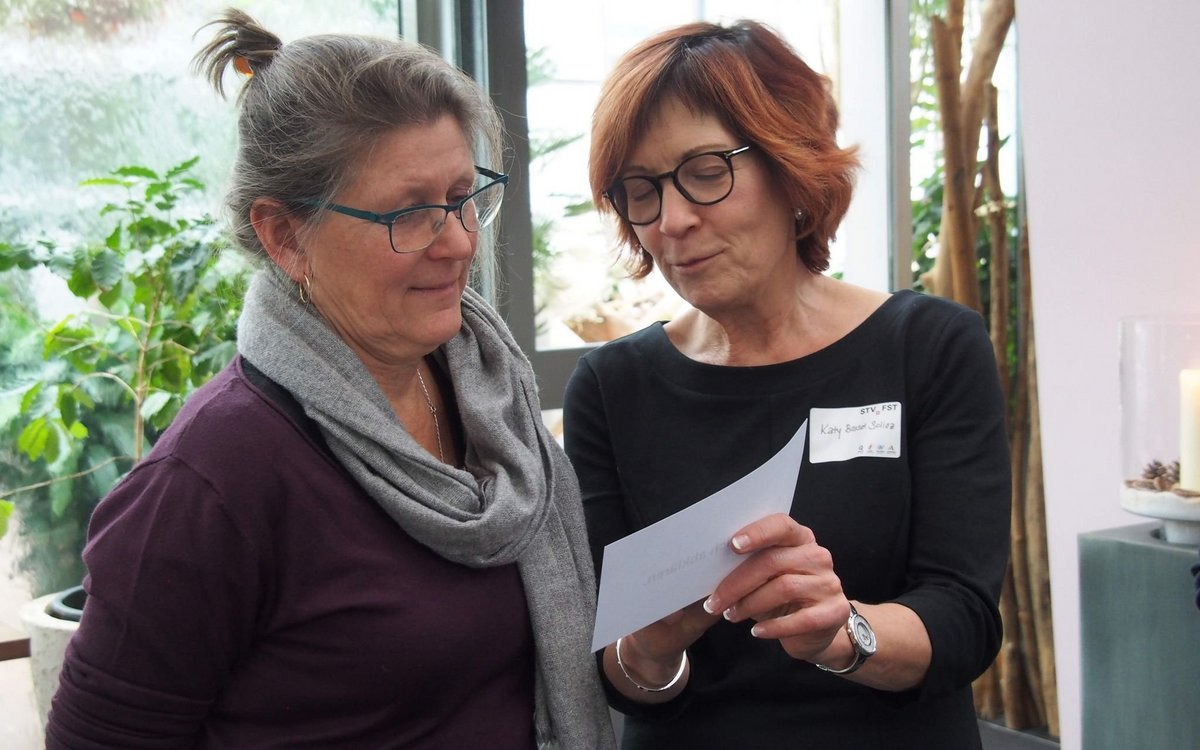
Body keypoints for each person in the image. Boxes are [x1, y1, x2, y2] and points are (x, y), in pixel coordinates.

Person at [45, 8, 615, 749]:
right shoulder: (213, 481)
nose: (458, 242)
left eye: (462, 196)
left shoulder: (487, 392)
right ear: (285, 236)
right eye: (410, 213)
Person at [563, 19, 1011, 750]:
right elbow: (610, 670)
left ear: (791, 167)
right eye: (640, 190)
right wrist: (648, 649)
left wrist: (843, 632)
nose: (673, 220)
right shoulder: (612, 387)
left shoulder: (928, 349)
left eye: (706, 171)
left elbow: (964, 617)